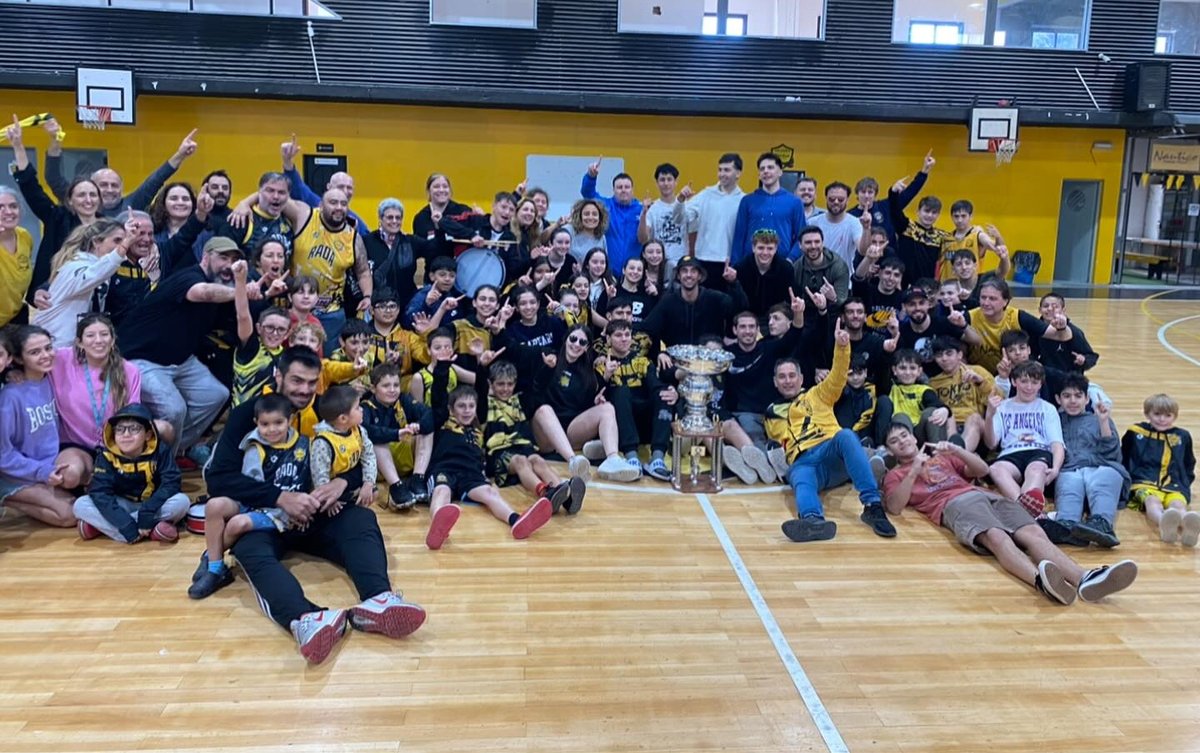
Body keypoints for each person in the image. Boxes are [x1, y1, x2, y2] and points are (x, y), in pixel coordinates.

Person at [205, 347, 427, 664]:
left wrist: (343, 482)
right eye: (296, 380)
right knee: (249, 550)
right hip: (267, 515)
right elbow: (219, 479)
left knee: (361, 520)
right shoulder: (251, 414)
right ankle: (306, 619)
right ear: (278, 376)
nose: (305, 389)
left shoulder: (326, 411)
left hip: (319, 511)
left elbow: (355, 454)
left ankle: (378, 600)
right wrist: (280, 497)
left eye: (311, 382)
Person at [882, 422, 1138, 605]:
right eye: (895, 441)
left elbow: (982, 470)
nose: (902, 441)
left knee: (1034, 533)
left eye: (904, 435)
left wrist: (957, 451)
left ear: (914, 437)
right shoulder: (896, 475)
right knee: (997, 537)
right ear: (891, 451)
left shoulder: (943, 457)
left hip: (990, 496)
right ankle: (1041, 581)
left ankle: (1085, 578)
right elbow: (894, 506)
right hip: (955, 504)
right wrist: (913, 470)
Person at [765, 318, 895, 542]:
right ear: (775, 382)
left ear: (801, 378)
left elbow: (837, 377)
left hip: (830, 452)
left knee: (845, 435)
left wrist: (842, 347)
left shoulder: (817, 394)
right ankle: (813, 520)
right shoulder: (770, 410)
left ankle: (872, 505)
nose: (788, 381)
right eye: (782, 377)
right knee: (800, 477)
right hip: (802, 461)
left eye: (792, 375)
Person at [117, 236, 241, 455]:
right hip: (141, 358)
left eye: (233, 260)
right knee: (173, 409)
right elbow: (202, 293)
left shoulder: (222, 285)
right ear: (206, 256)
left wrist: (265, 292)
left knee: (216, 395)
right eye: (223, 257)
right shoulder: (190, 276)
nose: (228, 265)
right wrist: (242, 291)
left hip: (181, 360)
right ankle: (163, 467)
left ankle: (167, 450)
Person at [189, 393, 310, 599]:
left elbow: (309, 481)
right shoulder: (251, 445)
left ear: (290, 420)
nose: (271, 429)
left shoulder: (304, 444)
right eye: (265, 424)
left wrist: (306, 506)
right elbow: (246, 486)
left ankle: (213, 562)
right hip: (252, 503)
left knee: (237, 524)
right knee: (214, 506)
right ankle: (217, 567)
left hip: (279, 511)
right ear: (256, 423)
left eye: (278, 423)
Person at [423, 363, 554, 550]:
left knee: (491, 493)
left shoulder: (479, 426)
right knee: (442, 491)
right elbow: (438, 395)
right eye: (461, 406)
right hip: (445, 469)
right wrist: (444, 368)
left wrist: (481, 365)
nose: (467, 410)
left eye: (471, 406)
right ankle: (438, 525)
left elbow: (481, 391)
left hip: (472, 474)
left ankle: (516, 520)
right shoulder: (443, 420)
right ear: (451, 410)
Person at [473, 350, 585, 514]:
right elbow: (479, 389)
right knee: (520, 461)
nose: (505, 389)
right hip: (498, 454)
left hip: (524, 448)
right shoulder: (485, 405)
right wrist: (482, 366)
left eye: (510, 384)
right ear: (491, 384)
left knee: (537, 460)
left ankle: (565, 495)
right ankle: (545, 493)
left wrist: (547, 368)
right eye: (500, 384)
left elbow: (537, 388)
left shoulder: (520, 401)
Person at [5, 115, 101, 305]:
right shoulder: (58, 218)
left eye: (93, 195)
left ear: (100, 200)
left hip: (95, 301)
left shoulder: (108, 227)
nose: (88, 200)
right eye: (81, 195)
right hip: (53, 297)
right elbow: (31, 187)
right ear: (70, 201)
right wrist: (18, 146)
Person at [533, 324, 638, 482]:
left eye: (582, 342)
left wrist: (598, 396)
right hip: (545, 431)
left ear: (587, 347)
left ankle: (612, 459)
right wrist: (546, 368)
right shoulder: (550, 358)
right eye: (573, 339)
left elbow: (585, 404)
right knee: (544, 410)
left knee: (606, 408)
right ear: (566, 339)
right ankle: (573, 461)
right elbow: (535, 391)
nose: (576, 344)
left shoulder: (588, 372)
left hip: (570, 430)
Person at [74, 404, 189, 544]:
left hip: (153, 504)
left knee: (182, 502)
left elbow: (171, 483)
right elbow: (100, 493)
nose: (126, 434)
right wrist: (124, 523)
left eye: (134, 429)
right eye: (120, 430)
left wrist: (147, 511)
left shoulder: (160, 451)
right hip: (121, 505)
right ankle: (149, 531)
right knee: (80, 505)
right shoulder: (106, 456)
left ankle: (104, 528)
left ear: (148, 434)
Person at [49, 313, 145, 480]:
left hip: (117, 443)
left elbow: (133, 415)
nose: (98, 340)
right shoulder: (61, 360)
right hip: (77, 445)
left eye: (104, 334)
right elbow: (31, 355)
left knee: (164, 429)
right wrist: (12, 373)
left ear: (113, 339)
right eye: (90, 335)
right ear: (79, 342)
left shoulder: (129, 370)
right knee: (68, 474)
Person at [0, 325, 80, 527]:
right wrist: (41, 472)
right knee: (69, 514)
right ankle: (7, 496)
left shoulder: (51, 379)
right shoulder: (10, 397)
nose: (45, 355)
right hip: (15, 473)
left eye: (48, 347)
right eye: (35, 352)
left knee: (76, 498)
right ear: (17, 359)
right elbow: (3, 455)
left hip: (45, 465)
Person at [45, 125, 199, 218]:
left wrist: (180, 155)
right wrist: (54, 141)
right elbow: (54, 178)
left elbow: (156, 180)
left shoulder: (131, 204)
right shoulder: (79, 204)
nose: (110, 190)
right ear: (92, 186)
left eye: (114, 185)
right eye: (103, 185)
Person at [1054, 375, 1129, 548]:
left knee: (1104, 479)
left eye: (1078, 396)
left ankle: (1102, 524)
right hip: (1071, 469)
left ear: (1087, 398)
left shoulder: (1100, 418)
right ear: (1058, 399)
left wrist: (1103, 422)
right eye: (1067, 396)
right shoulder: (1055, 420)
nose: (1073, 401)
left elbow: (1112, 454)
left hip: (1101, 466)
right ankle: (1067, 525)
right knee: (1069, 485)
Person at [983, 361, 1064, 518]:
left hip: (1038, 451)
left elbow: (1057, 443)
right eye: (1024, 381)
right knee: (995, 469)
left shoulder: (1047, 408)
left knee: (1037, 469)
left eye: (1034, 382)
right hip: (1011, 453)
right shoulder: (1002, 406)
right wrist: (989, 415)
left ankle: (1023, 515)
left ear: (1041, 384)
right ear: (1014, 381)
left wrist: (1055, 468)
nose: (1029, 387)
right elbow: (991, 443)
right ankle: (1032, 513)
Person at [32, 218, 129, 347]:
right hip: (54, 344)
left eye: (123, 241)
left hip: (75, 345)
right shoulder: (77, 265)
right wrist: (123, 248)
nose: (123, 246)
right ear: (96, 242)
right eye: (117, 240)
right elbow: (94, 275)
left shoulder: (98, 266)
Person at [1122, 393, 1197, 545]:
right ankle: (1164, 522)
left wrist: (1185, 482)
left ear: (1174, 416)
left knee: (1178, 505)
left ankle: (1188, 528)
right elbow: (1124, 456)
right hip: (1144, 482)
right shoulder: (1136, 432)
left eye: (1167, 415)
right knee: (1152, 501)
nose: (1162, 419)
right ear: (1147, 414)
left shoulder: (1182, 436)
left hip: (1174, 484)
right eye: (1157, 414)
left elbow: (1188, 462)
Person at [361, 363, 433, 511]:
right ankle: (396, 487)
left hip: (405, 457)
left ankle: (418, 479)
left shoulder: (403, 400)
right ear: (374, 389)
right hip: (380, 468)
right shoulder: (365, 406)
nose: (392, 390)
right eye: (386, 386)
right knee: (374, 440)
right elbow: (366, 430)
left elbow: (429, 414)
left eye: (396, 385)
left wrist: (418, 425)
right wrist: (395, 434)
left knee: (427, 430)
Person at [638, 256, 748, 349]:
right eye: (684, 271)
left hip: (709, 359)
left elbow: (741, 308)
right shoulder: (668, 301)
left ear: (700, 275)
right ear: (678, 276)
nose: (689, 275)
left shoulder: (714, 298)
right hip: (678, 361)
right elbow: (649, 328)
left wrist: (734, 283)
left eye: (693, 271)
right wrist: (660, 353)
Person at [966, 279, 1072, 374]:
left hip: (1015, 376)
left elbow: (1062, 336)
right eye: (983, 297)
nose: (986, 302)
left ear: (1005, 301)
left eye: (992, 299)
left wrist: (1062, 327)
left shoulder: (1018, 317)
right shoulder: (969, 317)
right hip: (977, 376)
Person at [280, 134, 369, 239]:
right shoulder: (315, 203)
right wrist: (287, 161)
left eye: (349, 187)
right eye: (340, 186)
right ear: (329, 187)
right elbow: (298, 187)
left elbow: (368, 243)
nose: (345, 191)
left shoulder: (355, 220)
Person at [232, 260, 292, 407]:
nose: (275, 333)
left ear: (287, 334)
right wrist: (240, 281)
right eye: (269, 327)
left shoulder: (287, 357)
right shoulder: (251, 347)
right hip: (244, 419)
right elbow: (243, 316)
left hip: (274, 419)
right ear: (258, 328)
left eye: (281, 329)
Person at [849, 150, 935, 251]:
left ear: (875, 195)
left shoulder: (886, 206)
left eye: (870, 192)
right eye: (863, 192)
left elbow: (910, 193)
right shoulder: (850, 216)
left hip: (890, 260)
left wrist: (924, 172)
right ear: (857, 195)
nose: (866, 196)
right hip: (863, 261)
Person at [681, 152, 745, 286]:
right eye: (720, 170)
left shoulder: (744, 200)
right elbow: (682, 218)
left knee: (727, 305)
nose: (722, 174)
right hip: (703, 260)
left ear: (738, 173)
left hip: (729, 263)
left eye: (727, 170)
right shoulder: (705, 194)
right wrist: (680, 201)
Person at [730, 152, 806, 265]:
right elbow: (739, 237)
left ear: (780, 172)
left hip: (782, 264)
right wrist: (735, 265)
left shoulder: (794, 202)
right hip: (751, 265)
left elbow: (801, 236)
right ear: (759, 175)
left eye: (770, 167)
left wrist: (790, 259)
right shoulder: (747, 201)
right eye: (762, 169)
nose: (766, 171)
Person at [365, 198, 441, 308]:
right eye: (390, 217)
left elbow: (435, 248)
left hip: (407, 304)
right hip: (379, 306)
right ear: (380, 219)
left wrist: (437, 225)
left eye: (398, 218)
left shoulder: (411, 241)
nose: (394, 221)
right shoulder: (367, 241)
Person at [875, 349, 956, 445]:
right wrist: (886, 352)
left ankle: (938, 453)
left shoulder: (924, 390)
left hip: (920, 433)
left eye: (912, 368)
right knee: (900, 416)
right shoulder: (890, 388)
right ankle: (882, 450)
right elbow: (882, 374)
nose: (908, 372)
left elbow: (936, 403)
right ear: (894, 370)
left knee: (931, 412)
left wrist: (945, 409)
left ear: (919, 371)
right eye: (903, 368)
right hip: (897, 436)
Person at [928, 337, 992, 452]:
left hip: (976, 425)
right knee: (945, 416)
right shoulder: (933, 383)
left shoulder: (977, 371)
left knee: (974, 418)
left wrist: (980, 382)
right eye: (939, 355)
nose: (944, 359)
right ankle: (955, 454)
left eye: (949, 353)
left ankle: (958, 455)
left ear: (959, 355)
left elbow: (998, 400)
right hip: (949, 427)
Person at [580, 156, 642, 270]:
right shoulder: (605, 205)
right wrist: (591, 177)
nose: (623, 190)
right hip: (608, 271)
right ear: (613, 190)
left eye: (627, 187)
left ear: (632, 190)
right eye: (619, 187)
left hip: (633, 272)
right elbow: (587, 193)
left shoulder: (641, 209)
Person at [889, 178, 950, 287]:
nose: (930, 215)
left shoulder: (942, 236)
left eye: (934, 213)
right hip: (902, 284)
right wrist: (893, 193)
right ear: (918, 212)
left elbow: (954, 251)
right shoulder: (906, 227)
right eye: (926, 211)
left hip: (927, 287)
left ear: (938, 215)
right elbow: (894, 210)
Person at [638, 163, 691, 276]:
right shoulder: (652, 209)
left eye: (669, 179)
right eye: (662, 180)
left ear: (676, 182)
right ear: (657, 183)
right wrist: (643, 214)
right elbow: (643, 239)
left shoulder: (687, 205)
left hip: (682, 263)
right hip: (658, 266)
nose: (666, 183)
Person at [735, 229, 796, 319]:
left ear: (775, 249)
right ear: (753, 248)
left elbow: (787, 302)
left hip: (775, 319)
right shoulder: (741, 268)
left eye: (770, 248)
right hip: (748, 319)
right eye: (761, 248)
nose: (765, 253)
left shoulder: (786, 269)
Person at [1036, 292, 1099, 374]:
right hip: (1042, 379)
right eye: (1046, 306)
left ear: (1063, 310)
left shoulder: (1075, 332)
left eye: (1055, 306)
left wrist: (1083, 360)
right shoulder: (1034, 330)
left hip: (1069, 380)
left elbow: (1091, 356)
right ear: (1040, 310)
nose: (1050, 309)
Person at [412, 173, 473, 258]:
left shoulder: (463, 211)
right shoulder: (421, 218)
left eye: (445, 186)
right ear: (428, 190)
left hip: (459, 266)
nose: (441, 190)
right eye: (436, 187)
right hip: (433, 268)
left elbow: (472, 235)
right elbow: (419, 248)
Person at [793, 226, 850, 312]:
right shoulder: (796, 268)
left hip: (832, 312)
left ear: (822, 243)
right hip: (805, 312)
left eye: (817, 242)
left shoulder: (838, 266)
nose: (813, 246)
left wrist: (834, 298)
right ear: (800, 245)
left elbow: (843, 302)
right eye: (808, 242)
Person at [809, 181, 867, 267]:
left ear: (847, 200)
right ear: (826, 198)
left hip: (844, 277)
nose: (836, 202)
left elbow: (863, 251)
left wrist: (867, 228)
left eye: (841, 199)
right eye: (832, 199)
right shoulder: (812, 222)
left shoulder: (854, 223)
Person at [939, 200, 1000, 279]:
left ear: (971, 216)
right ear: (952, 217)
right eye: (956, 216)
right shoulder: (946, 238)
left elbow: (996, 247)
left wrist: (998, 237)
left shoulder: (978, 235)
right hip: (948, 287)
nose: (960, 220)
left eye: (963, 216)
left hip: (970, 288)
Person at [0, 186, 33, 327]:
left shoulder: (24, 236)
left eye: (13, 206)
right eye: (0, 207)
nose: (8, 212)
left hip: (14, 319)